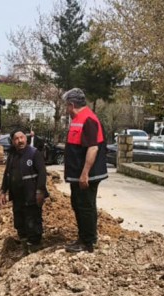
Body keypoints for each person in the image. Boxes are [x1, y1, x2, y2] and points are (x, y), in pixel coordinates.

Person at [62, 88, 108, 253]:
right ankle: (83, 238)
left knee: (85, 206)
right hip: (77, 174)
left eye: (66, 106)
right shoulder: (79, 118)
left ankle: (88, 242)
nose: (66, 110)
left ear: (72, 105)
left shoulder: (88, 119)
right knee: (78, 205)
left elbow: (93, 148)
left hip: (86, 175)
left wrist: (84, 173)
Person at [0, 129, 48, 252]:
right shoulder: (12, 156)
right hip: (17, 196)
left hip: (31, 195)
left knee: (32, 222)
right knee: (20, 222)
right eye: (16, 138)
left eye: (21, 137)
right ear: (13, 141)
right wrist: (3, 191)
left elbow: (42, 173)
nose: (20, 140)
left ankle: (35, 247)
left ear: (26, 139)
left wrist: (40, 191)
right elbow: (7, 175)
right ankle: (25, 248)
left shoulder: (34, 153)